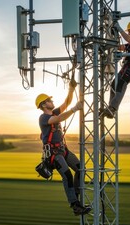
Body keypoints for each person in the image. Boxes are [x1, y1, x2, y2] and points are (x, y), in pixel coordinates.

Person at [35, 81, 91, 216]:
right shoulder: (43, 118)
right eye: (49, 100)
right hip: (54, 155)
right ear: (43, 105)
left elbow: (66, 103)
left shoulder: (53, 112)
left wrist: (71, 90)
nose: (51, 101)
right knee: (67, 175)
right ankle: (75, 205)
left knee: (80, 168)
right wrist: (74, 109)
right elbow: (59, 118)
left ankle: (76, 195)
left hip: (63, 150)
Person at [102, 20, 130, 119]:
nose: (128, 33)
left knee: (121, 85)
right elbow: (120, 47)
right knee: (113, 85)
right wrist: (114, 37)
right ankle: (110, 108)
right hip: (125, 67)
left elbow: (129, 39)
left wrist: (119, 29)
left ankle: (113, 108)